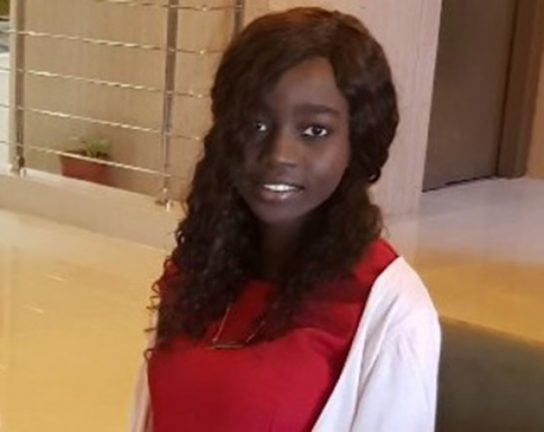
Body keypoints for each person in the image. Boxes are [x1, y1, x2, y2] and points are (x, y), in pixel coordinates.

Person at [128, 6, 441, 432]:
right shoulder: (196, 270)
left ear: (357, 141)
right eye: (256, 124)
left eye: (314, 131)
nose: (278, 155)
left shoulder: (391, 310)